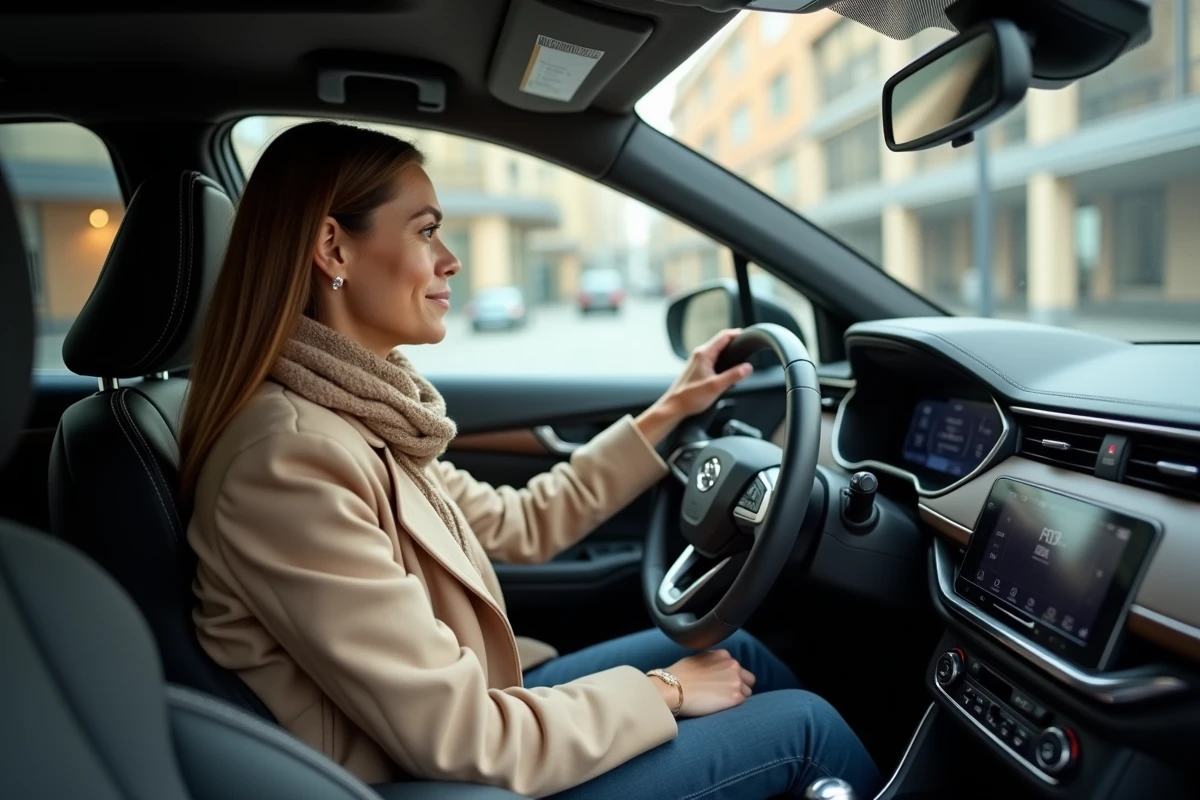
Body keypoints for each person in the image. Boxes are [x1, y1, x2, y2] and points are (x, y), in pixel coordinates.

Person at [180, 120, 881, 800]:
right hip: (437, 779)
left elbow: (522, 522)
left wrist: (670, 414)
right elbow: (459, 739)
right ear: (333, 248)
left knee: (745, 657)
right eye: (426, 231)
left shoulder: (355, 421)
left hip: (475, 726)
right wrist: (666, 691)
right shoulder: (290, 461)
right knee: (807, 731)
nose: (450, 259)